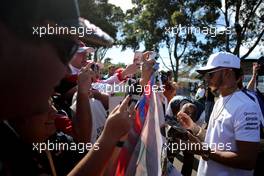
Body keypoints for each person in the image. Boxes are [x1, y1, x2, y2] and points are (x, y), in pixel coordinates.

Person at [177, 52, 261, 176]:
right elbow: (215, 140)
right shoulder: (220, 101)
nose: (206, 79)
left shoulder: (246, 106)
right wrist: (193, 128)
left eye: (210, 74)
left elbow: (247, 160)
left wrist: (204, 151)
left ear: (227, 73)